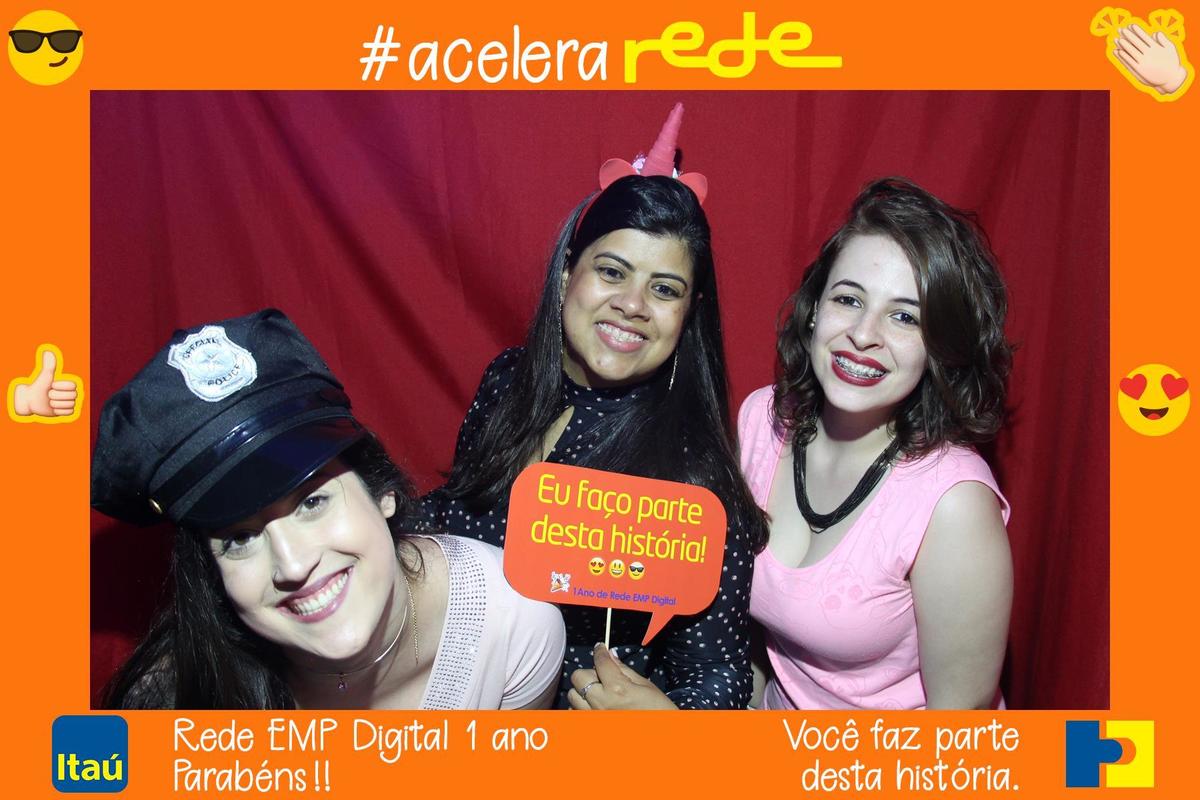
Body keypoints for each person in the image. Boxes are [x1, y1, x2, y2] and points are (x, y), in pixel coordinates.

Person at [422, 104, 768, 710]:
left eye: (664, 289)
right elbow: (455, 514)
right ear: (567, 276)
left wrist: (662, 723)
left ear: (686, 316)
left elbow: (722, 676)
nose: (633, 304)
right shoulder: (506, 382)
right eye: (612, 272)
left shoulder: (693, 477)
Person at [93, 309, 564, 710]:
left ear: (382, 491)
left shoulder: (513, 621)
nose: (293, 565)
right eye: (240, 538)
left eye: (312, 501)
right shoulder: (176, 700)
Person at [740, 177, 1014, 710]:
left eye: (905, 316)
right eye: (848, 299)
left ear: (938, 346)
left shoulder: (954, 504)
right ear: (815, 309)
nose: (864, 335)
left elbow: (958, 732)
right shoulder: (760, 421)